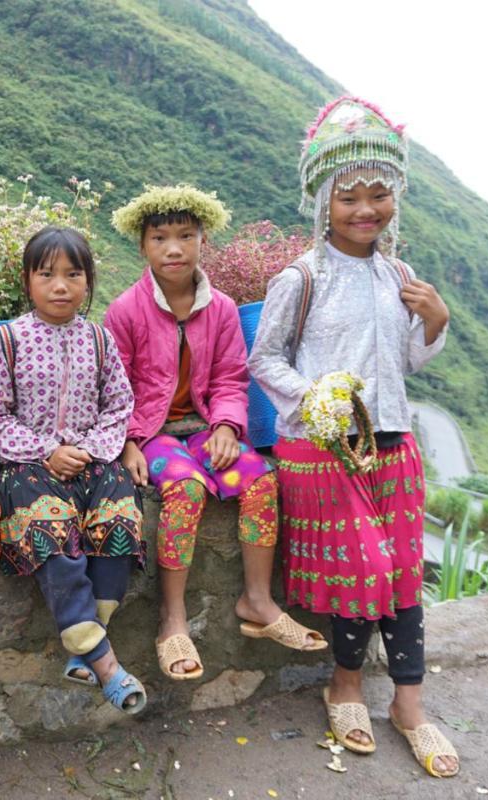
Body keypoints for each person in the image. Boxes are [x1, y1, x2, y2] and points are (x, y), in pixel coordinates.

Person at [248, 96, 458, 777]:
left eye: (379, 196)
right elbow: (265, 359)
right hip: (323, 448)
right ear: (324, 204)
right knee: (366, 569)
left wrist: (435, 319)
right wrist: (316, 395)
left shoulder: (399, 276)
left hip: (392, 443)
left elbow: (406, 362)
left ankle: (409, 705)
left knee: (401, 577)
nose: (366, 210)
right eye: (351, 198)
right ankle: (343, 688)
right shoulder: (300, 278)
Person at [105, 185, 325, 682]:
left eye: (186, 236)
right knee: (184, 489)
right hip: (154, 434)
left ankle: (258, 600)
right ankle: (173, 619)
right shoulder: (125, 311)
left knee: (262, 482)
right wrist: (127, 443)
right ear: (143, 246)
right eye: (161, 238)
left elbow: (230, 378)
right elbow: (112, 388)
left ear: (204, 240)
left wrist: (228, 425)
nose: (175, 248)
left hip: (204, 427)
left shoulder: (221, 309)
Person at [0, 226, 147, 714]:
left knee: (120, 515)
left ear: (88, 281)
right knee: (50, 531)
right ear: (28, 282)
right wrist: (48, 450)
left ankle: (84, 646)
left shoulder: (99, 339)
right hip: (29, 468)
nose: (60, 286)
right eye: (46, 274)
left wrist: (92, 450)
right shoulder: (8, 341)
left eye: (73, 274)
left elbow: (119, 404)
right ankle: (106, 663)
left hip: (91, 462)